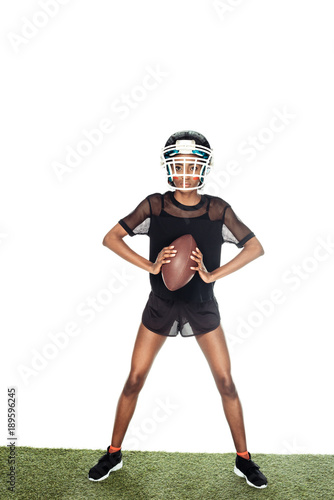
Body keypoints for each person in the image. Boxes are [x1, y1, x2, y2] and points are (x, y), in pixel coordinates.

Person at [88, 130, 268, 489]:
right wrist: (150, 265)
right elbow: (111, 237)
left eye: (192, 164)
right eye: (179, 164)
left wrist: (213, 273)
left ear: (204, 167)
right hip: (161, 304)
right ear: (169, 166)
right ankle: (113, 452)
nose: (185, 171)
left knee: (226, 382)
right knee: (135, 378)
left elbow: (254, 247)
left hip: (203, 305)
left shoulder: (217, 209)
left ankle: (243, 459)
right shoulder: (155, 204)